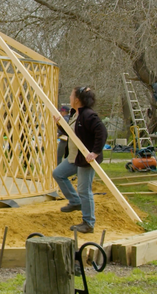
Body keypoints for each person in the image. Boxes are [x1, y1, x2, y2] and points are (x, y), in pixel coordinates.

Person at [52, 87, 108, 234]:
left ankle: (88, 223)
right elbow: (72, 134)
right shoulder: (75, 114)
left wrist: (95, 152)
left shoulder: (88, 115)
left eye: (71, 95)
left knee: (84, 190)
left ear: (77, 99)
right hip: (74, 158)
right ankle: (75, 202)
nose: (69, 97)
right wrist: (59, 124)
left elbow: (101, 132)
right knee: (58, 173)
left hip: (86, 159)